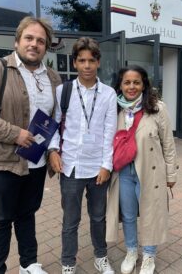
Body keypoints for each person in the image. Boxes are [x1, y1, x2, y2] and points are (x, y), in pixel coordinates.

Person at [0, 16, 62, 274]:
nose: (34, 44)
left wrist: (52, 150)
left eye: (41, 41)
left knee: (27, 213)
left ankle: (29, 264)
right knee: (2, 219)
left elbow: (55, 120)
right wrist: (13, 133)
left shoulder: (53, 77)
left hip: (36, 161)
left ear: (46, 47)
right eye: (29, 38)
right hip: (2, 161)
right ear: (17, 41)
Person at [48, 37, 117, 274]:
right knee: (70, 221)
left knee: (98, 218)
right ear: (75, 63)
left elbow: (110, 132)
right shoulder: (63, 91)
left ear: (98, 62)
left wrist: (106, 165)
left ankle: (101, 256)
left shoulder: (108, 94)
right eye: (81, 61)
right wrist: (53, 150)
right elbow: (55, 126)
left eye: (91, 60)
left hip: (98, 167)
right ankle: (68, 263)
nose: (87, 65)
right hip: (70, 166)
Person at [106, 65, 178, 274]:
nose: (131, 86)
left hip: (150, 172)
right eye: (127, 82)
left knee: (150, 213)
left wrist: (171, 174)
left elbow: (168, 143)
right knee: (128, 215)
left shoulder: (157, 107)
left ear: (144, 84)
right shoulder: (115, 108)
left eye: (136, 82)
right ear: (120, 85)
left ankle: (148, 255)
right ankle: (131, 251)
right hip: (123, 172)